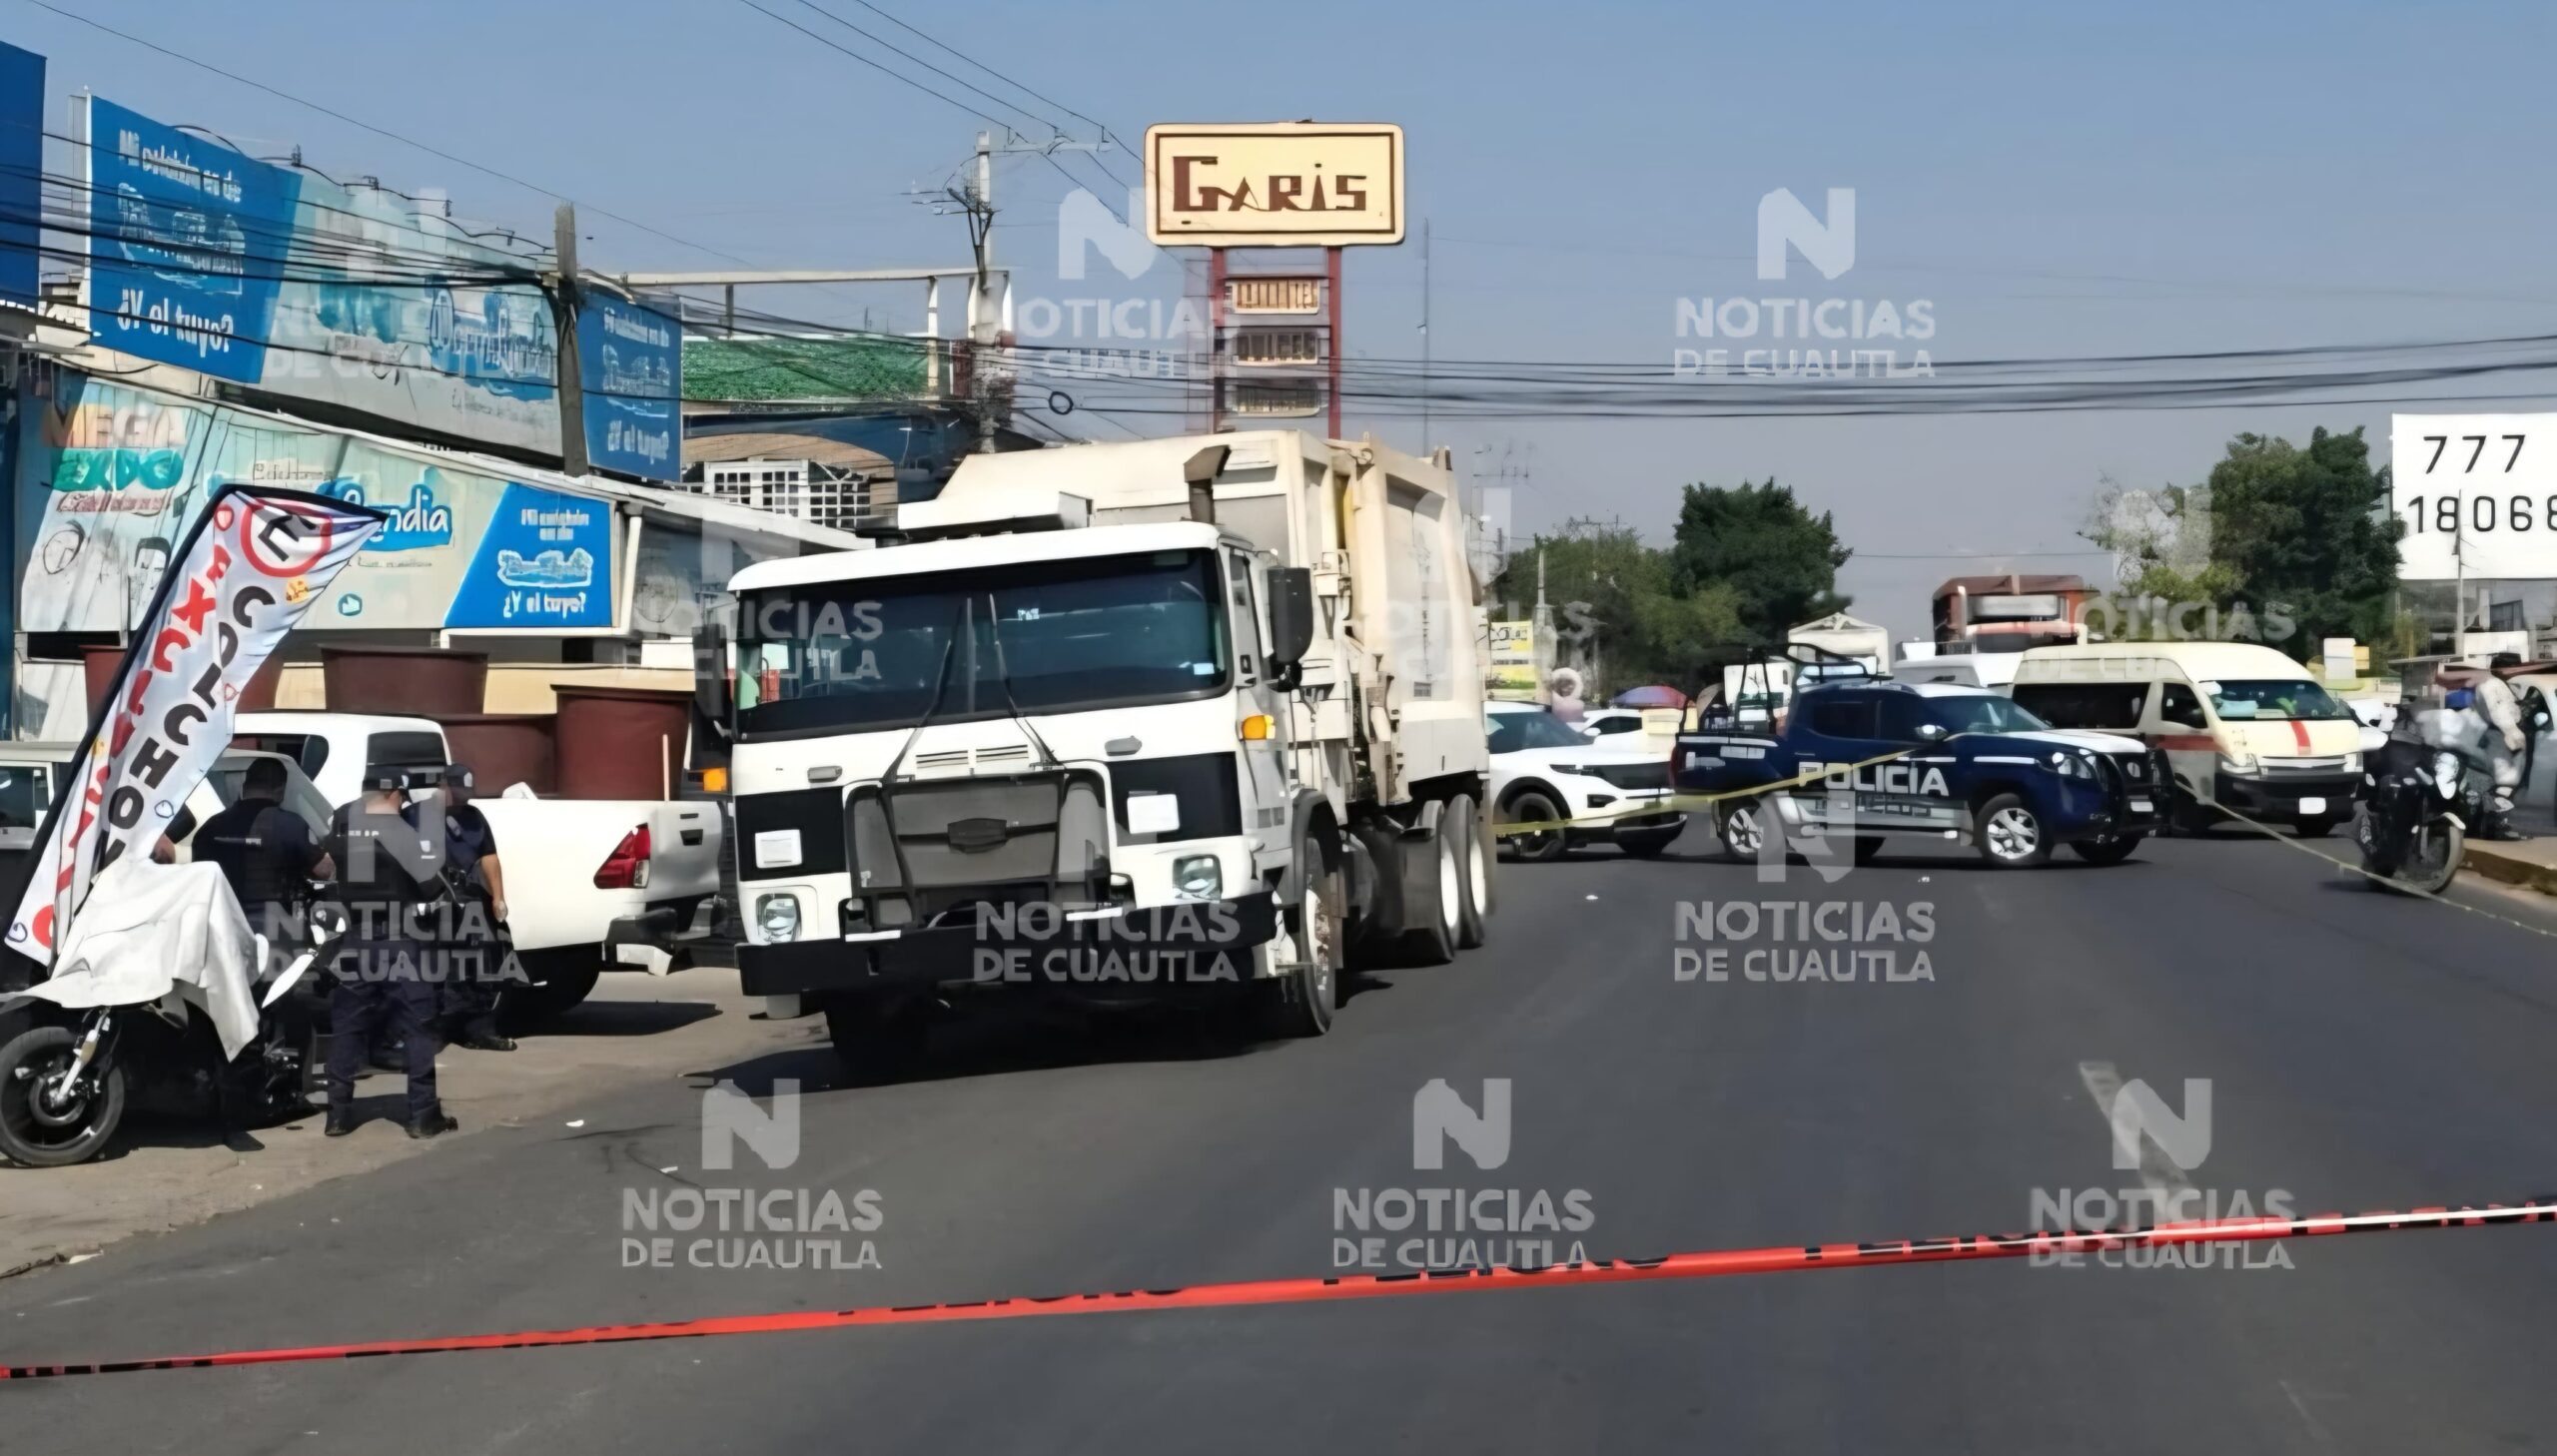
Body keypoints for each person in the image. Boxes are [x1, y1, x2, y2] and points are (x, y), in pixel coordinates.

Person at [321, 766, 456, 1139]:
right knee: (418, 1027)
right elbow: (432, 889)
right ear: (394, 793)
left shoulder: (342, 827)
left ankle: (337, 1114)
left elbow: (326, 871)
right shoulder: (399, 832)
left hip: (355, 940)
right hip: (401, 939)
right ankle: (423, 1115)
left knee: (348, 1028)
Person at [193, 758, 333, 966]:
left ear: (244, 786)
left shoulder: (211, 827)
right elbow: (324, 871)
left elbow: (198, 876)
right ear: (280, 790)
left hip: (224, 927)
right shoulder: (291, 825)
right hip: (278, 932)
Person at [433, 765, 515, 1053]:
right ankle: (440, 1030)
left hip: (470, 899)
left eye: (466, 792)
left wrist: (498, 897)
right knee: (441, 969)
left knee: (482, 966)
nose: (462, 797)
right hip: (438, 901)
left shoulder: (474, 818)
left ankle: (479, 1029)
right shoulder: (422, 816)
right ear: (443, 786)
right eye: (456, 790)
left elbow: (488, 857)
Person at [2473, 653, 2530, 840]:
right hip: (2500, 735)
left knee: (2503, 783)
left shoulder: (2495, 684)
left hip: (2495, 735)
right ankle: (2494, 827)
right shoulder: (2493, 686)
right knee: (2506, 782)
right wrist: (2515, 733)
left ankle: (2494, 825)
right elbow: (2500, 714)